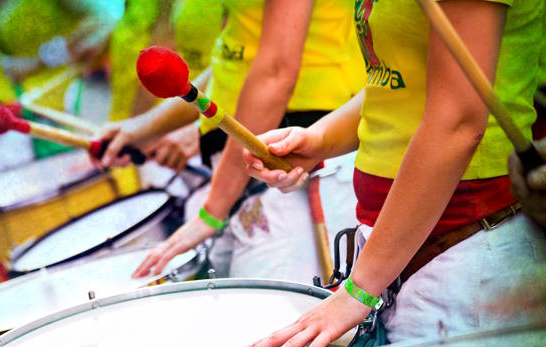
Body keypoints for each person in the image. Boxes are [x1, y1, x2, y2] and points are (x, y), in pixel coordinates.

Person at [238, 0, 546, 347]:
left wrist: (358, 289)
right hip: (398, 260)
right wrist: (319, 138)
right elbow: (402, 80)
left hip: (465, 255)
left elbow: (459, 122)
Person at [101, 0, 365, 281]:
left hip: (291, 166)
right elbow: (233, 60)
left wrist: (212, 212)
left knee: (271, 319)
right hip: (241, 173)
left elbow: (275, 72)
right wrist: (145, 128)